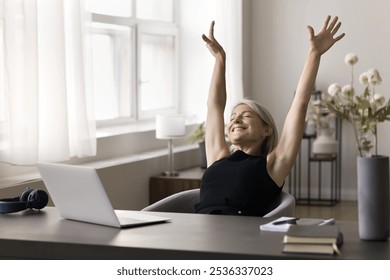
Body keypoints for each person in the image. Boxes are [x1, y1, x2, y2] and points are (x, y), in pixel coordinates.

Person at [195, 16, 345, 216]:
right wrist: (220, 59)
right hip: (199, 230)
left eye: (246, 115)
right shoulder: (217, 158)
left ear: (266, 129)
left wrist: (314, 54)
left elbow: (299, 104)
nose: (236, 120)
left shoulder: (273, 164)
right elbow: (214, 106)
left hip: (236, 238)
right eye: (232, 118)